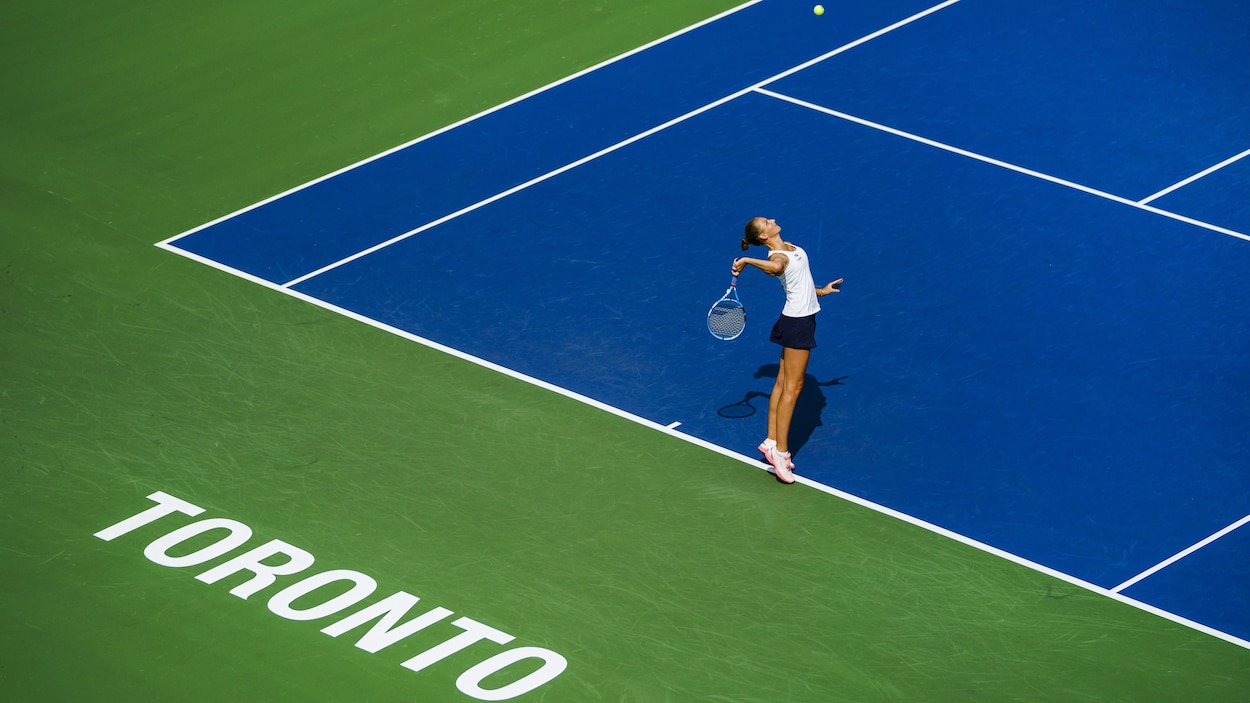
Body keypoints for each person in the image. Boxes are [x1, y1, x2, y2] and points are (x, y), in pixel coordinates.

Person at [732, 217, 841, 483]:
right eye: (766, 223)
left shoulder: (790, 247)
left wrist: (822, 292)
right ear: (763, 237)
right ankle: (781, 453)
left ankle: (770, 440)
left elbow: (800, 286)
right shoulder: (777, 257)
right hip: (798, 324)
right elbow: (774, 268)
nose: (772, 220)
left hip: (797, 319)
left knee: (782, 383)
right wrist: (747, 261)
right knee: (794, 388)